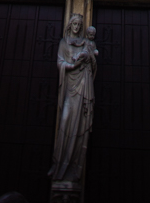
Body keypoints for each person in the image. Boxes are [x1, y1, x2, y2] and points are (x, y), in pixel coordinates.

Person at [48, 13, 97, 186]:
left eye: (79, 24)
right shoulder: (63, 43)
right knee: (65, 120)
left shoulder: (87, 44)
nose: (77, 27)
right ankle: (60, 163)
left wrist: (88, 58)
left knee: (80, 123)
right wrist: (73, 65)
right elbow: (60, 63)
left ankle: (74, 167)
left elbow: (93, 62)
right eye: (74, 24)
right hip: (69, 86)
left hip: (83, 84)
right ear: (70, 25)